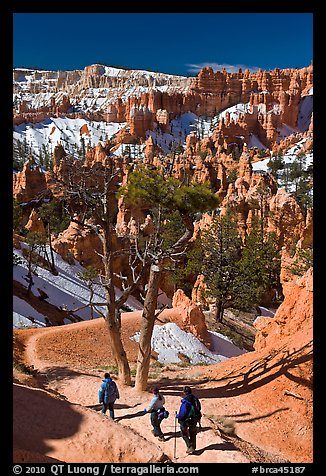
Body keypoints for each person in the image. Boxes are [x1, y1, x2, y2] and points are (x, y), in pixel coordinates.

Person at [176, 386, 201, 454]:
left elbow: (183, 413)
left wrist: (178, 416)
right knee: (192, 433)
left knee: (184, 433)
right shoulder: (195, 399)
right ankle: (193, 447)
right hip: (194, 418)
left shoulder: (185, 401)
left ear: (184, 392)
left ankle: (190, 446)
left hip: (186, 420)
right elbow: (199, 409)